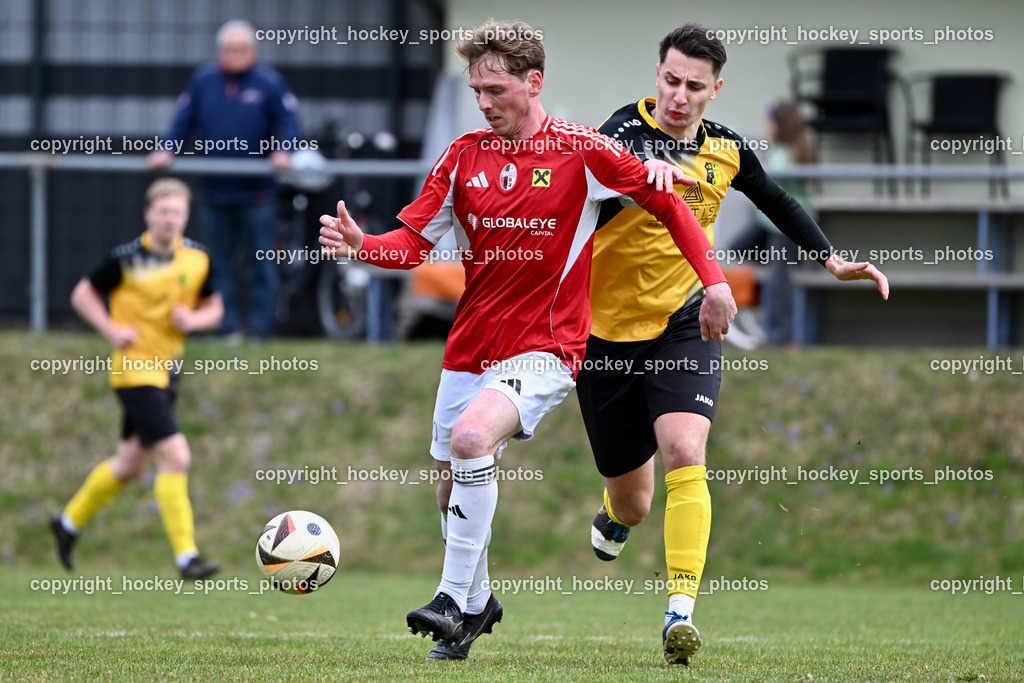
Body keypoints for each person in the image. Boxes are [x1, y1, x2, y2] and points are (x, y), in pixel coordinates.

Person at [318, 20, 737, 662]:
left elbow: (671, 204)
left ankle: (452, 598)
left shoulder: (583, 151)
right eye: (476, 90)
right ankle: (478, 602)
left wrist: (712, 283)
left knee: (469, 440)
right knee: (451, 482)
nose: (484, 102)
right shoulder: (461, 156)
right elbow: (411, 245)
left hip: (547, 344)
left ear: (532, 82)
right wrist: (364, 245)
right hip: (470, 345)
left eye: (495, 89)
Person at [579, 24, 890, 665]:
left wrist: (831, 261)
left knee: (685, 449)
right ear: (656, 75)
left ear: (715, 90)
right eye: (670, 80)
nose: (679, 96)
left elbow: (776, 199)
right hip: (604, 335)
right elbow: (580, 189)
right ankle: (614, 512)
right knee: (635, 502)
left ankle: (679, 613)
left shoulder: (727, 149)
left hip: (687, 321)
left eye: (695, 86)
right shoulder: (617, 134)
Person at [50, 178, 224, 580]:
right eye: (162, 211)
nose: (169, 219)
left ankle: (68, 522)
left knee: (129, 464)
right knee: (176, 456)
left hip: (169, 372)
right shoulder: (126, 258)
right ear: (148, 214)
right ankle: (187, 557)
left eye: (177, 212)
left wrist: (194, 320)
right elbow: (82, 295)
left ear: (185, 216)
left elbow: (215, 306)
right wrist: (111, 331)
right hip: (134, 372)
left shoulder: (197, 259)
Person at [148, 19, 301, 341]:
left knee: (263, 263)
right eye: (229, 49)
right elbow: (183, 120)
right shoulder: (203, 81)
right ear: (220, 52)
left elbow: (289, 121)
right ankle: (225, 327)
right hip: (213, 191)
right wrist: (167, 149)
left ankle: (260, 331)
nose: (235, 55)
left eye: (241, 49)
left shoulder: (269, 83)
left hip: (257, 193)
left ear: (253, 52)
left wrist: (285, 151)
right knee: (218, 264)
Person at [727, 100, 818, 345]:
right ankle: (772, 274)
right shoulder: (778, 148)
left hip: (786, 226)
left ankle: (779, 335)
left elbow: (773, 182)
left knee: (780, 283)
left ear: (781, 124)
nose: (766, 125)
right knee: (737, 247)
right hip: (767, 221)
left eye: (770, 121)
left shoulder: (794, 151)